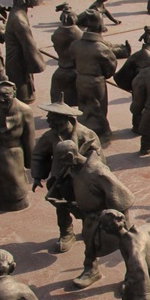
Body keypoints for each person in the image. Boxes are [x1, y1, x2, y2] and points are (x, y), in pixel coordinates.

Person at [52, 139, 135, 289]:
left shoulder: (98, 172)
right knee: (90, 246)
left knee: (127, 247)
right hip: (90, 217)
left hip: (108, 219)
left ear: (70, 156)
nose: (61, 164)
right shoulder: (74, 169)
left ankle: (133, 277)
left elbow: (123, 197)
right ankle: (91, 271)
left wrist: (117, 220)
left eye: (62, 160)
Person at [31, 101, 102, 254]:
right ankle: (66, 233)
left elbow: (99, 160)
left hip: (83, 180)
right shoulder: (50, 136)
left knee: (87, 207)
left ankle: (89, 229)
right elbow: (39, 155)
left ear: (67, 119)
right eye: (49, 121)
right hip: (60, 180)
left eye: (54, 121)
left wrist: (81, 161)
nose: (50, 124)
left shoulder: (87, 135)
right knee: (61, 207)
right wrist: (37, 176)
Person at [0, 80, 35, 212]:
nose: (1, 99)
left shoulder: (25, 110)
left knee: (16, 181)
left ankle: (19, 200)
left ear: (14, 94)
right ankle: (2, 200)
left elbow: (29, 138)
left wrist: (30, 162)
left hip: (15, 152)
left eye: (5, 95)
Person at [71, 9, 119, 138]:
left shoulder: (76, 45)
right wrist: (103, 75)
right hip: (96, 82)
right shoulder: (101, 48)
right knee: (98, 108)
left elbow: (72, 60)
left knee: (83, 105)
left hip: (81, 79)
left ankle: (82, 129)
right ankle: (103, 131)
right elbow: (111, 67)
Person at [4, 0, 45, 102]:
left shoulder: (18, 11)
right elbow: (29, 45)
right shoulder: (19, 20)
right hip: (18, 59)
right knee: (23, 92)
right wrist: (38, 63)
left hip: (19, 56)